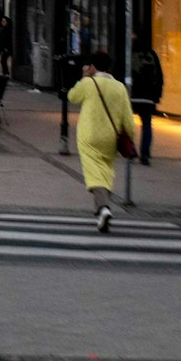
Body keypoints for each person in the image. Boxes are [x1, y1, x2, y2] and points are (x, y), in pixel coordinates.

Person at [66, 50, 135, 233]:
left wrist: (83, 77)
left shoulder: (88, 83)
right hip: (110, 136)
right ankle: (100, 209)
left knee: (93, 173)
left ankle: (103, 208)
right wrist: (131, 138)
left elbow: (72, 97)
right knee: (105, 170)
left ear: (93, 67)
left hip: (88, 135)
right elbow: (128, 118)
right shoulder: (119, 87)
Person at [128, 35, 163, 166]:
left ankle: (130, 150)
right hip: (148, 97)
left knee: (126, 123)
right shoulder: (152, 55)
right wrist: (157, 97)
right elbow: (159, 77)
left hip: (132, 95)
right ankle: (145, 154)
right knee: (147, 125)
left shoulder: (130, 54)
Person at [0, 15, 14, 81]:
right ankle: (5, 74)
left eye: (4, 21)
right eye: (2, 21)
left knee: (3, 60)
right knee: (3, 60)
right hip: (2, 48)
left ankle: (6, 74)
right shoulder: (3, 29)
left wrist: (6, 48)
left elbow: (8, 40)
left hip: (6, 48)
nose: (2, 22)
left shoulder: (9, 30)